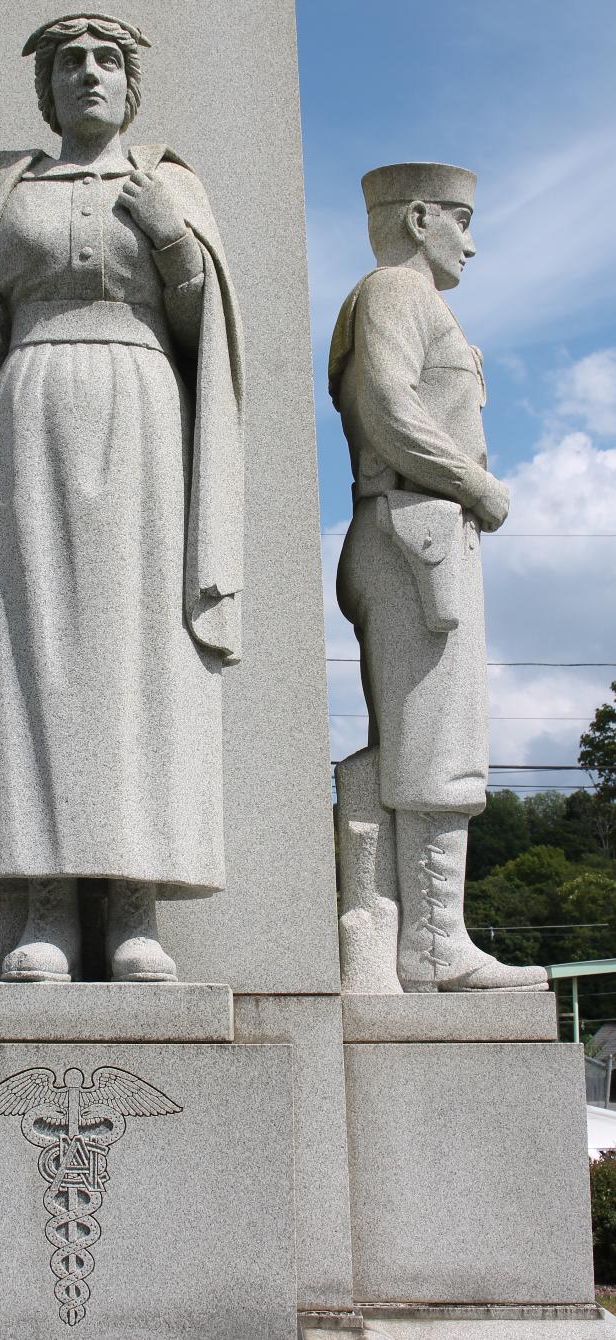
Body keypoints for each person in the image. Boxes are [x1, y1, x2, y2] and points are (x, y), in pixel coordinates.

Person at [0, 13, 244, 984]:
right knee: (33, 660)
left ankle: (136, 905)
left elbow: (208, 334)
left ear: (129, 82)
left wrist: (169, 234)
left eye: (105, 60)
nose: (88, 75)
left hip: (144, 415)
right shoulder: (7, 192)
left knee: (139, 657)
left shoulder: (170, 184)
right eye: (70, 63)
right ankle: (44, 904)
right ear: (46, 88)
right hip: (27, 417)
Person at [330, 162, 547, 992]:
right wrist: (478, 485)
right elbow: (388, 407)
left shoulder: (422, 303)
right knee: (432, 742)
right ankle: (430, 942)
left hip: (428, 532)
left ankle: (435, 933)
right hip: (412, 532)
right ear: (418, 217)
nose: (472, 239)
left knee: (448, 738)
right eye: (460, 218)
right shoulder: (393, 291)